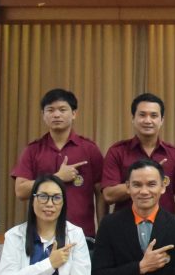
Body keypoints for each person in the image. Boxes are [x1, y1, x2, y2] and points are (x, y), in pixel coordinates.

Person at [10, 88, 104, 237]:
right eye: (50, 110)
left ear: (74, 113)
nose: (56, 115)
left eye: (62, 109)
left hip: (82, 234)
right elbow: (20, 191)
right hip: (41, 235)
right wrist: (57, 177)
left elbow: (101, 193)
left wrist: (103, 232)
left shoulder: (89, 149)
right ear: (43, 115)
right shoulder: (33, 150)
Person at [102, 93, 175, 221]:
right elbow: (108, 195)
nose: (148, 120)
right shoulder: (117, 152)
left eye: (154, 116)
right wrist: (142, 180)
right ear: (133, 118)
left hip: (165, 227)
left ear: (161, 120)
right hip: (125, 226)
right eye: (142, 115)